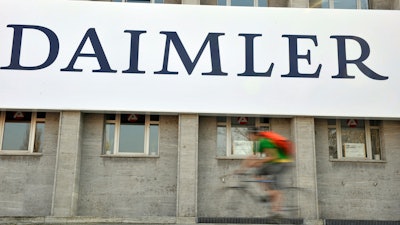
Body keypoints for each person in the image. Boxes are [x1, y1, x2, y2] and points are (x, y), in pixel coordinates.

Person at [237, 127, 293, 216]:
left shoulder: (264, 141)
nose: (248, 137)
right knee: (259, 173)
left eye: (249, 135)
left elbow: (273, 157)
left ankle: (273, 203)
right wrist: (241, 170)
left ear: (254, 134)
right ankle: (270, 198)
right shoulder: (258, 144)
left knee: (262, 176)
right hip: (275, 163)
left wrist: (258, 162)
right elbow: (251, 157)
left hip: (281, 163)